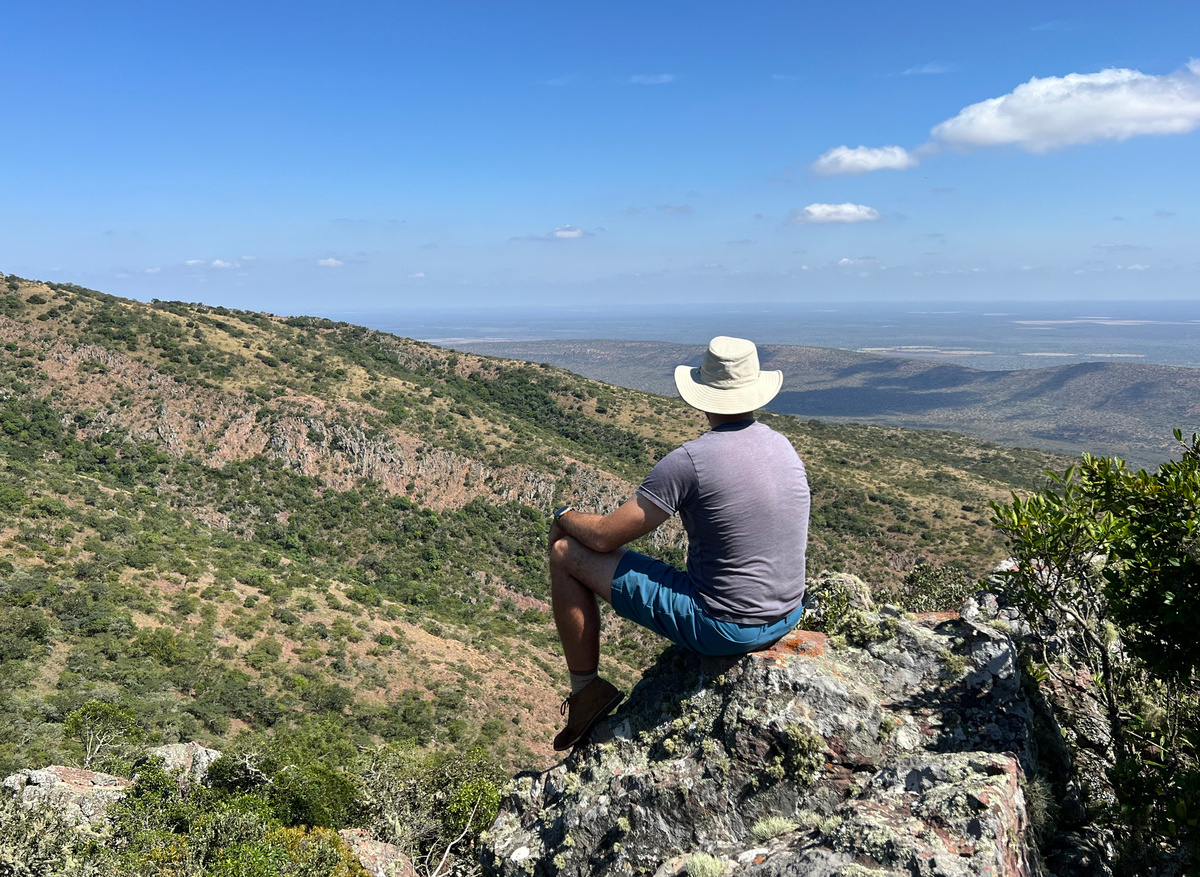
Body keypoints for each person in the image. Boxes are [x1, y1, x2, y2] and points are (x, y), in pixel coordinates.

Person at [547, 336, 811, 750]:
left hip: (725, 626)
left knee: (565, 551)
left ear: (703, 396)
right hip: (788, 613)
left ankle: (585, 691)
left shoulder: (689, 461)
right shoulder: (782, 444)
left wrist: (562, 516)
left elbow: (603, 537)